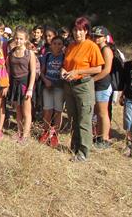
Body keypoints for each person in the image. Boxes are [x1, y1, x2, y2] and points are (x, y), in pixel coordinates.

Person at [61, 17, 104, 162]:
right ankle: (75, 146)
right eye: (75, 30)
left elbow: (98, 68)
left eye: (80, 30)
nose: (77, 33)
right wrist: (63, 70)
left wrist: (78, 71)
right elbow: (66, 64)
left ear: (86, 31)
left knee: (84, 119)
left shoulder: (91, 46)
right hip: (69, 86)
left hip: (83, 86)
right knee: (73, 117)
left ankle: (84, 152)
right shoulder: (71, 46)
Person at [8, 26, 36, 144]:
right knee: (18, 110)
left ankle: (25, 135)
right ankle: (19, 131)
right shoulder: (11, 53)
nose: (18, 41)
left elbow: (33, 72)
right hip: (15, 83)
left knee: (26, 111)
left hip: (25, 84)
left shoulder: (30, 53)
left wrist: (30, 89)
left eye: (21, 39)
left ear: (25, 39)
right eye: (16, 38)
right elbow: (9, 69)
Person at [39, 36, 65, 147]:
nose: (57, 46)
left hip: (59, 87)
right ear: (51, 45)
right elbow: (42, 71)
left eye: (59, 44)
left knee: (58, 111)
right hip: (48, 86)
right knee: (47, 110)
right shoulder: (47, 56)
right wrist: (45, 80)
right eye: (55, 43)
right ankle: (45, 131)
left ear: (63, 46)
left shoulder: (64, 57)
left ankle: (55, 134)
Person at [91, 26, 114, 150]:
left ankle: (104, 138)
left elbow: (107, 70)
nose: (96, 38)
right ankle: (99, 135)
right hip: (97, 84)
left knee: (103, 113)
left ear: (105, 38)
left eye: (99, 36)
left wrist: (93, 80)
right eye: (94, 36)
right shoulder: (97, 49)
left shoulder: (106, 50)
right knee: (97, 112)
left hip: (103, 85)